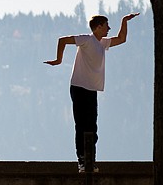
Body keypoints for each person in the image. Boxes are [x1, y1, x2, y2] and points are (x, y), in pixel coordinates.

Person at [44, 12, 140, 172]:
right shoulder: (87, 39)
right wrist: (59, 59)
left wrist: (124, 21)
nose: (109, 28)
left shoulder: (102, 43)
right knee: (81, 125)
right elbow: (63, 40)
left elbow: (121, 39)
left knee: (92, 126)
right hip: (79, 87)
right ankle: (82, 160)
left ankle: (90, 160)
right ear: (98, 27)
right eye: (106, 25)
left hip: (91, 90)